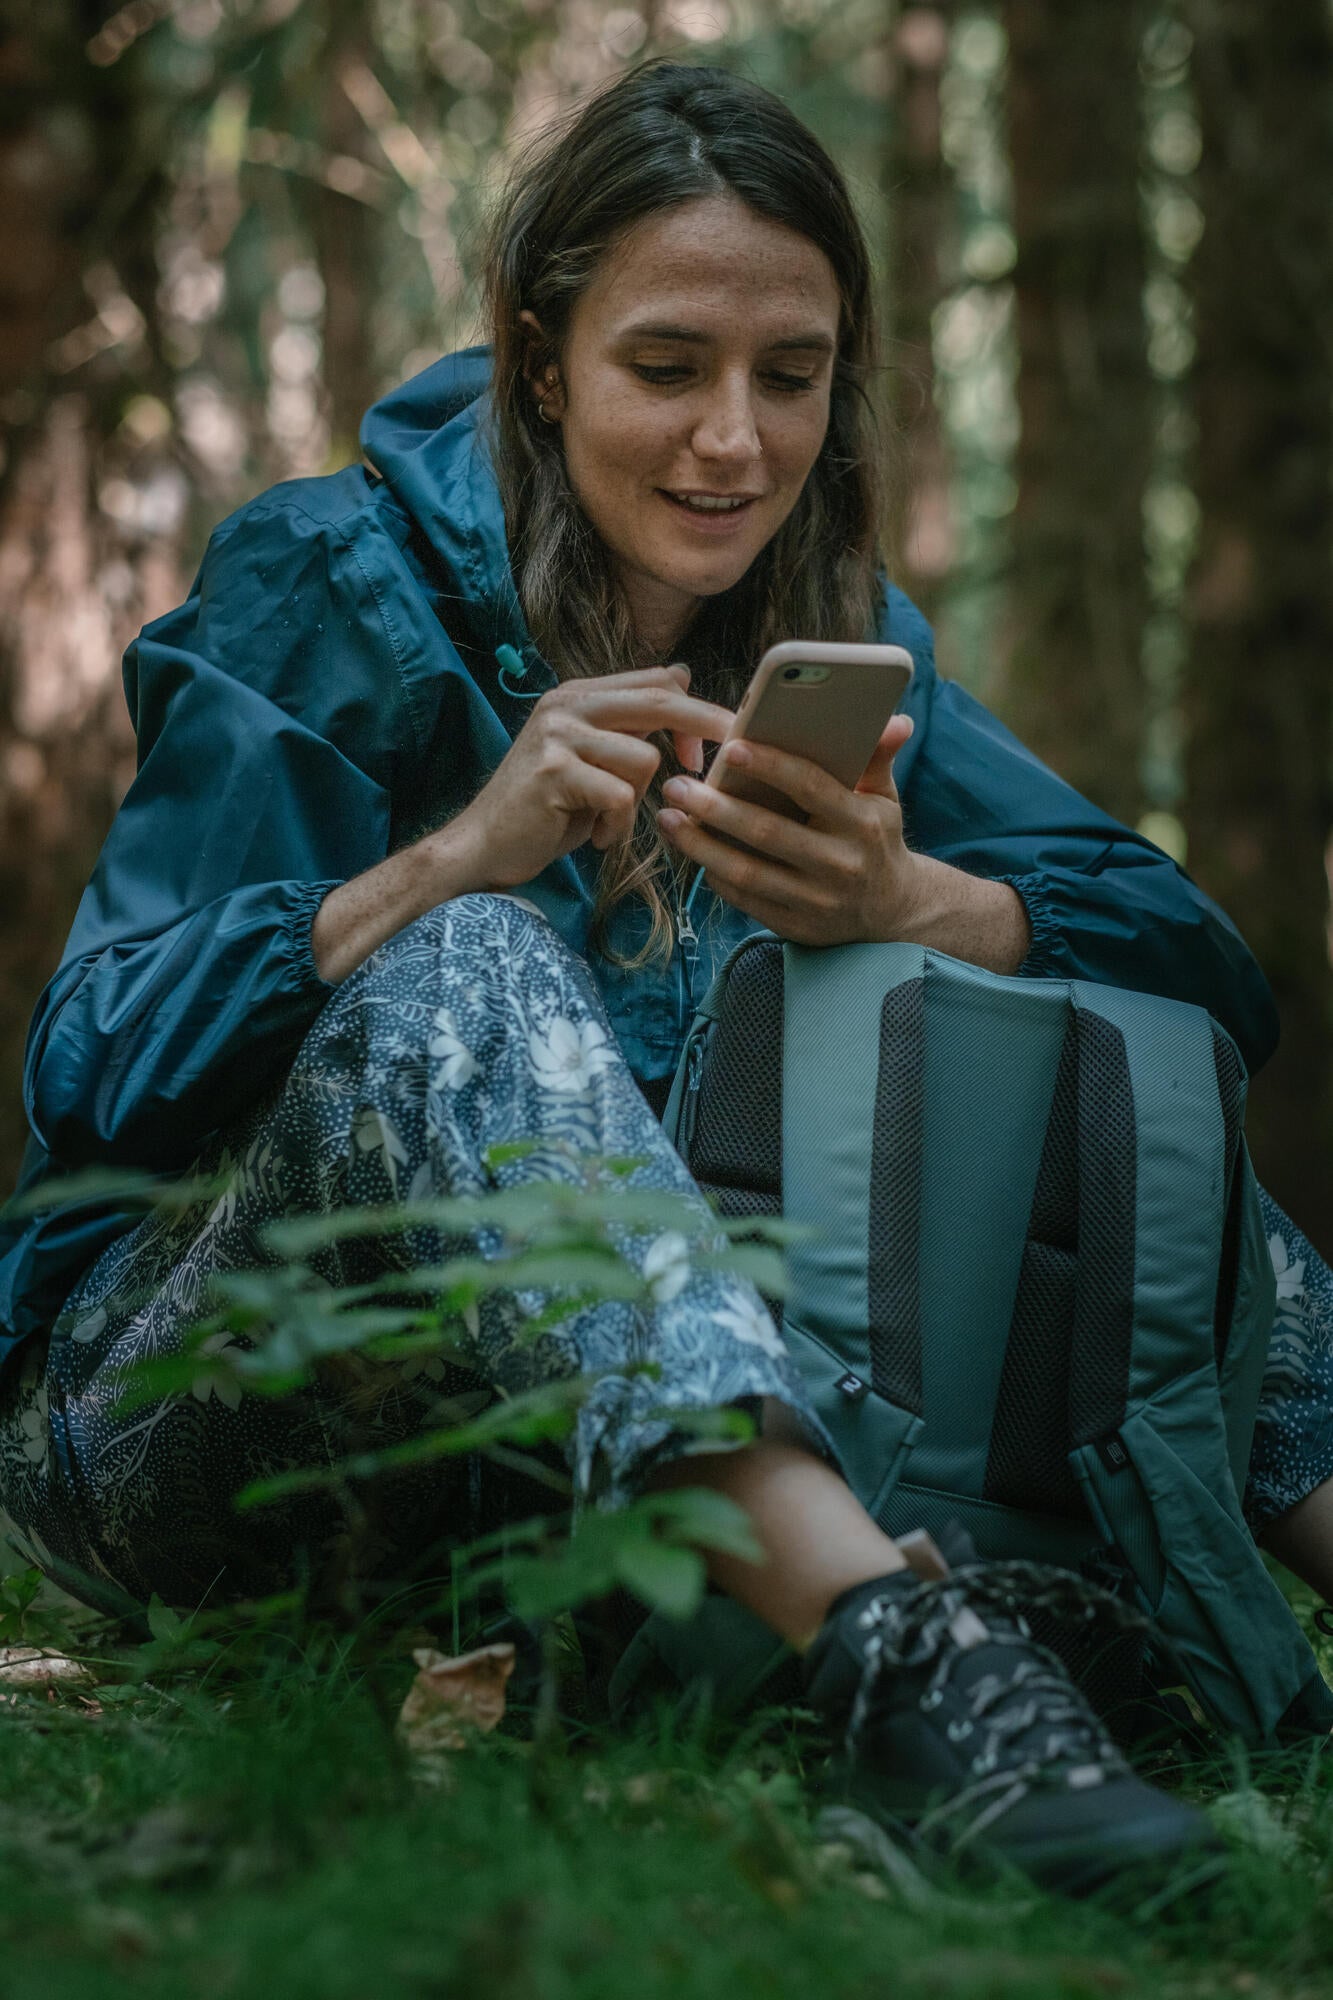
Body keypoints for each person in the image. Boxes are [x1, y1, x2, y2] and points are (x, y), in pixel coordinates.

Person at [0, 59, 1328, 1893]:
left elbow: (1198, 966)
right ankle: (919, 1680)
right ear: (543, 363)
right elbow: (87, 1061)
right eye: (666, 367)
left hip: (547, 1474)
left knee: (1099, 1072)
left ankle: (928, 1617)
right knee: (465, 961)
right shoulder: (325, 583)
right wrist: (451, 860)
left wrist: (917, 898)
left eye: (790, 378)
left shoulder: (840, 646)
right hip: (180, 1424)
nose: (733, 443)